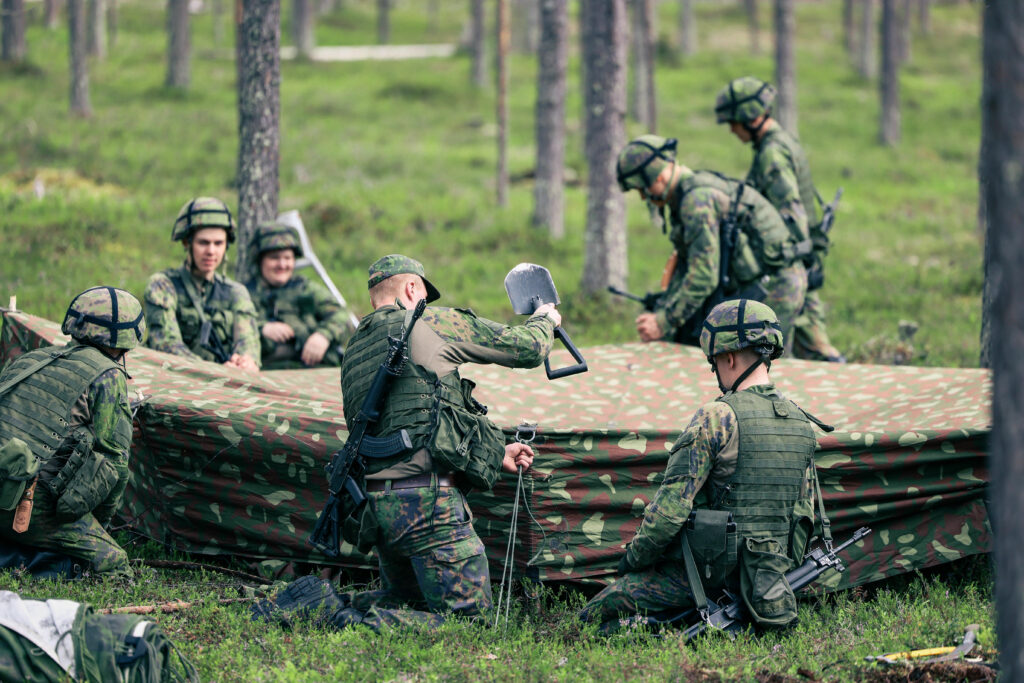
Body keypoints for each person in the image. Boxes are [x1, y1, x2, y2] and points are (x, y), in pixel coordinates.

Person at [255, 254, 560, 631]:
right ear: (412, 288)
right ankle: (341, 620)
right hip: (429, 507)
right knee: (470, 625)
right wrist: (546, 316)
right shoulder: (428, 320)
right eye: (423, 295)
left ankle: (315, 604)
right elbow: (527, 347)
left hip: (378, 507)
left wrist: (497, 454)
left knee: (408, 601)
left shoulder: (354, 350)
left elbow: (415, 419)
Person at [579, 299, 820, 630]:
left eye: (715, 364)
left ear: (729, 358)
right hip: (771, 579)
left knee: (600, 610)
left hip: (710, 578)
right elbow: (802, 516)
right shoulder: (802, 421)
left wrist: (633, 561)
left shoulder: (717, 416)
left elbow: (667, 514)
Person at [0, 287, 146, 579]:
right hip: (28, 507)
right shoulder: (108, 375)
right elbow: (116, 463)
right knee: (114, 563)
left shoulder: (33, 358)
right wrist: (98, 527)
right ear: (128, 340)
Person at [615, 134, 808, 349]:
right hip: (764, 283)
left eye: (643, 189)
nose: (644, 197)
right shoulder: (687, 194)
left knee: (762, 366)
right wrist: (664, 307)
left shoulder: (696, 201)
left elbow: (704, 275)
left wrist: (663, 322)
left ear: (658, 177)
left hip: (776, 286)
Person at [715, 77, 845, 362]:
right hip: (802, 260)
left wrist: (790, 258)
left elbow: (790, 210)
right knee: (817, 349)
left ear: (748, 117)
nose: (732, 130)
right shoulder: (781, 142)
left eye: (733, 122)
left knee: (775, 354)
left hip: (791, 265)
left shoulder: (772, 153)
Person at [143, 197, 261, 372]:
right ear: (186, 243)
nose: (211, 251)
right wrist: (216, 371)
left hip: (226, 384)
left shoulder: (236, 292)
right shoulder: (162, 286)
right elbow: (167, 346)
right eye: (203, 243)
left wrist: (245, 363)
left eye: (218, 243)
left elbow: (248, 343)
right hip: (174, 381)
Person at [246, 222, 355, 369]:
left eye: (287, 258)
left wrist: (323, 335)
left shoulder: (306, 289)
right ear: (260, 261)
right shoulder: (244, 295)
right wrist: (262, 328)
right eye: (274, 257)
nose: (282, 264)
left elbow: (342, 316)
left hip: (313, 373)